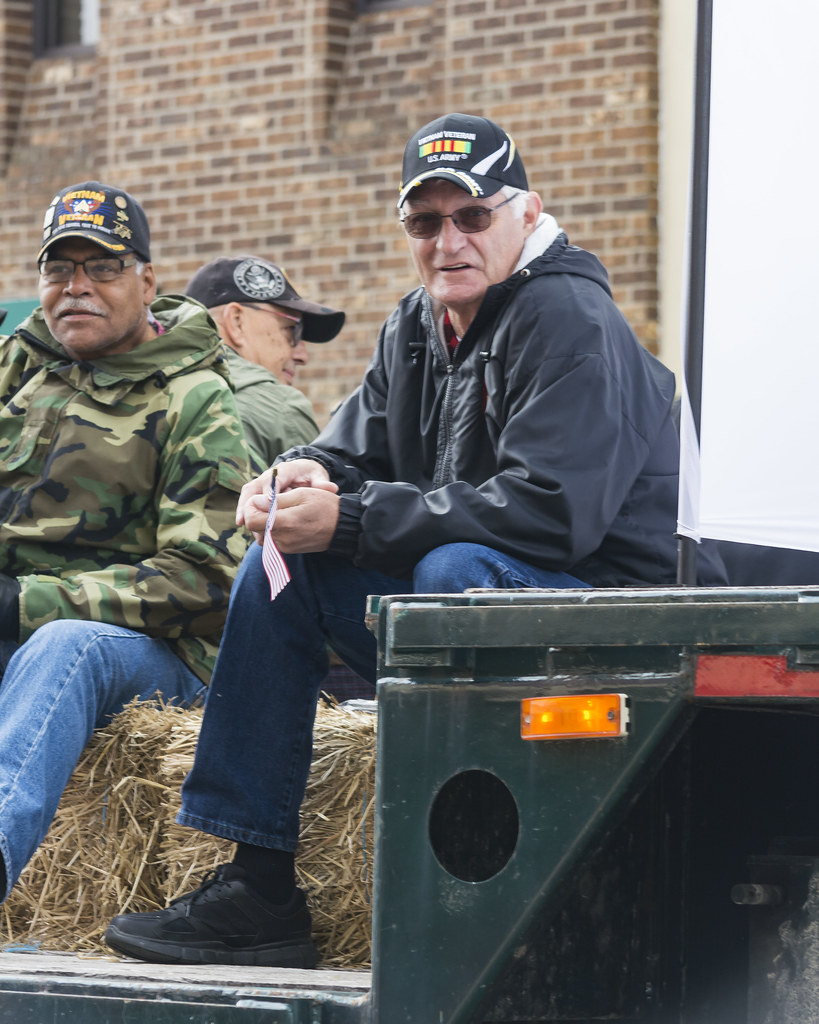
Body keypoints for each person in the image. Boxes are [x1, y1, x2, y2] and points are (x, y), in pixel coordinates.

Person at [104, 113, 726, 969]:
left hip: (624, 625)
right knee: (284, 567)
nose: (447, 241)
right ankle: (257, 886)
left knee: (449, 574)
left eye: (471, 216)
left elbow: (552, 513)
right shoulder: (415, 324)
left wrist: (355, 519)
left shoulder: (571, 318)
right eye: (425, 222)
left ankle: (471, 873)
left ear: (525, 214)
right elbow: (345, 449)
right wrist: (298, 476)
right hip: (499, 599)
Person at [0, 181, 251, 902]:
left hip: (146, 654)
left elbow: (207, 579)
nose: (76, 286)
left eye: (103, 268)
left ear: (146, 282)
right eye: (58, 269)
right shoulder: (19, 369)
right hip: (14, 623)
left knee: (65, 646)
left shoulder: (193, 397)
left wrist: (24, 602)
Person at [184, 256, 344, 471]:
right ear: (236, 321)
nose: (302, 356)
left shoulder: (153, 389)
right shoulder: (280, 407)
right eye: (292, 329)